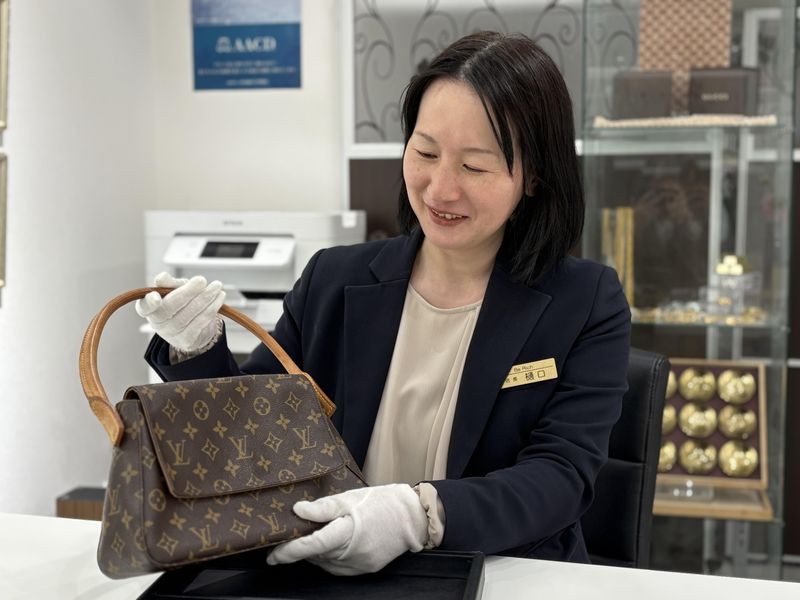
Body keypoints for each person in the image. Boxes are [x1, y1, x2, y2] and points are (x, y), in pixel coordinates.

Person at [137, 31, 631, 575]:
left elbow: (561, 475)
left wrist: (419, 515)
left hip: (498, 573)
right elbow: (250, 436)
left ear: (533, 176)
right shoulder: (333, 280)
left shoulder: (585, 301)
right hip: (324, 572)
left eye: (474, 166)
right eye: (425, 153)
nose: (440, 189)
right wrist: (195, 349)